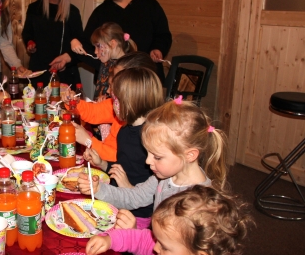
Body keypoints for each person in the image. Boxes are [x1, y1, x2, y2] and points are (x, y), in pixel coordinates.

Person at [78, 96, 227, 229]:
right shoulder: (163, 177)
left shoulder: (198, 203)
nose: (148, 161)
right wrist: (98, 189)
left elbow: (173, 251)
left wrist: (135, 232)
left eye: (157, 157)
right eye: (148, 153)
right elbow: (134, 196)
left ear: (190, 155)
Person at [86, 185, 252, 255]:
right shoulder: (184, 254)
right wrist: (111, 239)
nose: (155, 246)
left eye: (164, 246)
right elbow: (143, 240)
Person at [79, 67, 163, 229]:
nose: (111, 104)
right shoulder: (124, 130)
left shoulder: (150, 141)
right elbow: (122, 167)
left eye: (115, 100)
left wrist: (128, 187)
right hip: (117, 197)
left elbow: (154, 191)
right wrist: (102, 163)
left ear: (130, 102)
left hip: (137, 214)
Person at [70, 0, 172, 85]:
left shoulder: (150, 6)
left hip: (145, 79)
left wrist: (158, 48)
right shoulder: (101, 12)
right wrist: (106, 66)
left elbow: (163, 35)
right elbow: (86, 44)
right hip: (113, 83)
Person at [62, 51, 157, 162]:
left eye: (117, 83)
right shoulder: (119, 106)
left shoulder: (142, 129)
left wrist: (89, 141)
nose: (108, 90)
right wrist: (73, 102)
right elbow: (94, 112)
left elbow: (119, 157)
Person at [21, 0, 84, 88]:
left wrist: (68, 59)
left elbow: (81, 45)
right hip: (39, 71)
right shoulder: (34, 8)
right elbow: (27, 32)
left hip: (64, 72)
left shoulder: (73, 12)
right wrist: (30, 42)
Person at [90, 22, 137, 100]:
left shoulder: (126, 68)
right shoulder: (106, 63)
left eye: (98, 46)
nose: (95, 51)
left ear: (113, 44)